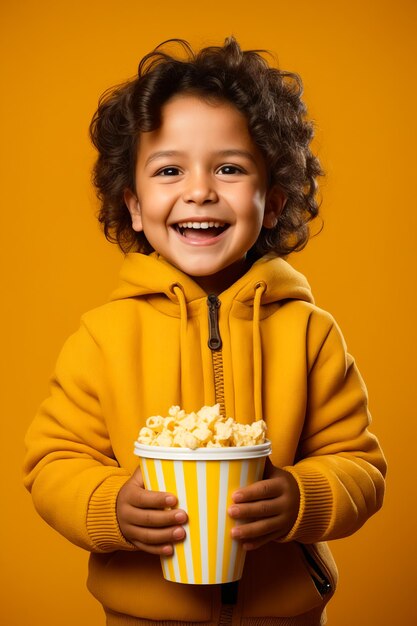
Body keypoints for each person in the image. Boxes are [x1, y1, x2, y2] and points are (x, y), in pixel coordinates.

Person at [24, 37, 386, 626]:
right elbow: (53, 465)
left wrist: (301, 496)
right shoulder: (103, 337)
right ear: (135, 206)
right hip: (146, 615)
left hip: (283, 614)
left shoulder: (310, 334)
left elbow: (359, 467)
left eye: (230, 168)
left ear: (271, 202)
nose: (200, 190)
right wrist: (111, 506)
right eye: (169, 169)